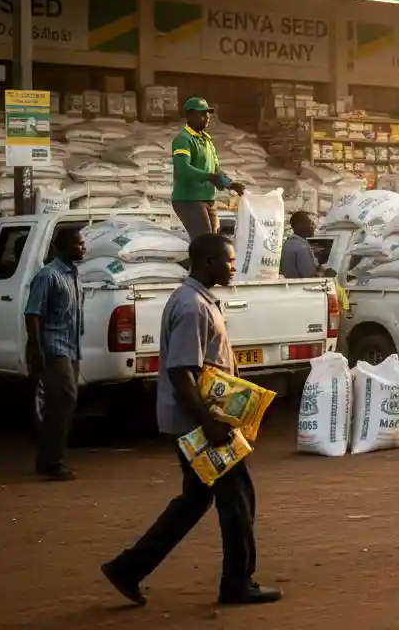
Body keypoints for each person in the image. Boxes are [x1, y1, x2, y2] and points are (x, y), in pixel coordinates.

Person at [102, 234, 280, 607]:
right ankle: (237, 582)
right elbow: (182, 371)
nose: (233, 267)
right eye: (228, 261)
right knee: (237, 500)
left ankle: (128, 568)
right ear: (208, 261)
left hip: (195, 419)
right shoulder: (191, 306)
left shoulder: (197, 300)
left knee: (195, 499)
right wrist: (209, 425)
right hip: (197, 423)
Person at [25, 226, 86, 481]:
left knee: (62, 403)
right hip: (54, 347)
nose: (83, 248)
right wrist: (37, 348)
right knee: (63, 398)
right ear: (63, 246)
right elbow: (32, 313)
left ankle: (48, 459)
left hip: (72, 347)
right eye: (78, 244)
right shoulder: (48, 276)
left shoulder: (73, 274)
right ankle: (52, 462)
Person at [171, 97, 244, 240]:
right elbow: (183, 168)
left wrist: (230, 183)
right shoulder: (183, 139)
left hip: (207, 198)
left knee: (214, 240)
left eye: (207, 114)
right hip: (189, 200)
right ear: (189, 116)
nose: (206, 118)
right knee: (205, 241)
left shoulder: (207, 140)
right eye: (201, 114)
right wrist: (210, 177)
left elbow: (216, 169)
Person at [278, 211, 321, 279]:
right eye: (311, 224)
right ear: (301, 225)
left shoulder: (287, 243)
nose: (314, 227)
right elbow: (310, 277)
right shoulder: (303, 248)